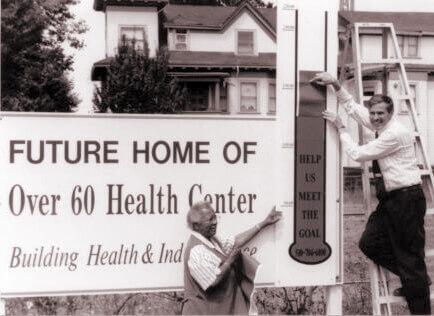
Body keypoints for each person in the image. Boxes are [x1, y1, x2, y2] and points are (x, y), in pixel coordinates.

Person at [310, 72, 431, 314]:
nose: (375, 118)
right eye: (373, 113)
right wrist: (335, 84)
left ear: (390, 114)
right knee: (369, 243)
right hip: (393, 200)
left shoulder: (393, 134)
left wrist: (341, 128)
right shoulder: (381, 125)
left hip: (407, 199)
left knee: (409, 257)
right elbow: (354, 108)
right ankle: (415, 278)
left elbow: (357, 154)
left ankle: (417, 294)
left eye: (380, 114)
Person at [182, 201, 282, 315]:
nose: (215, 222)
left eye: (215, 217)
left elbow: (235, 242)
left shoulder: (211, 239)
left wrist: (264, 223)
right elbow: (212, 281)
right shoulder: (196, 250)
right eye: (210, 220)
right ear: (196, 226)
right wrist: (230, 261)